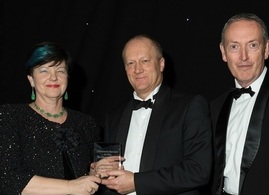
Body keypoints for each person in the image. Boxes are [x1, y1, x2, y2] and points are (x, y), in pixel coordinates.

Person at [99, 34, 213, 195]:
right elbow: (110, 176)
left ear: (161, 64)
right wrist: (99, 173)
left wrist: (136, 183)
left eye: (145, 61)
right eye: (131, 63)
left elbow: (198, 171)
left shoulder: (190, 105)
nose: (137, 69)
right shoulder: (114, 117)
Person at [210, 13, 269, 195]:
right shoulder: (215, 106)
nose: (243, 57)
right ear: (223, 52)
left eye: (252, 45)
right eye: (234, 46)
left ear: (266, 49)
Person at [0, 42, 103, 195]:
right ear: (31, 80)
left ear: (67, 77)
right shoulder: (10, 116)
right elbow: (7, 178)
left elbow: (89, 177)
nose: (53, 77)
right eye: (43, 70)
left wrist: (96, 174)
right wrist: (70, 186)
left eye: (60, 71)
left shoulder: (86, 123)